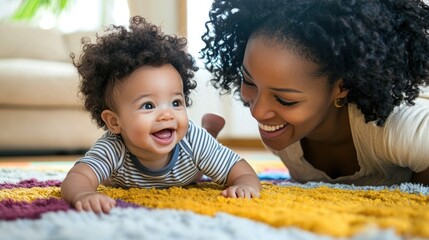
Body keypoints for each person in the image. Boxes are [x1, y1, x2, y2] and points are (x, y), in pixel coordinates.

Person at [200, 0, 429, 186]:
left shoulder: (398, 129)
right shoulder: (283, 136)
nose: (258, 112)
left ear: (341, 87)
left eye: (284, 99)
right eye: (249, 81)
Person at [61, 16, 261, 214]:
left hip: (190, 168)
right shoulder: (113, 148)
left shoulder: (193, 140)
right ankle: (210, 130)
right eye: (148, 105)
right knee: (105, 177)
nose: (167, 114)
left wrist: (245, 184)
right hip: (127, 175)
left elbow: (241, 170)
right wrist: (83, 194)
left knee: (201, 166)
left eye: (176, 103)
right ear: (114, 122)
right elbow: (78, 177)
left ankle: (209, 132)